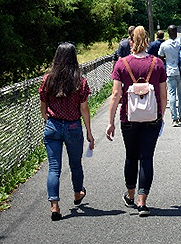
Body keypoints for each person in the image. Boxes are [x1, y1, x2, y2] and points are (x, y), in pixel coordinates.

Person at [106, 26, 167, 217]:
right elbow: (163, 94)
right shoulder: (157, 64)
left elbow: (116, 94)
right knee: (146, 157)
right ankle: (143, 202)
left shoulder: (122, 64)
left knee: (131, 156)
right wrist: (160, 115)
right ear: (147, 42)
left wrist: (110, 122)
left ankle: (130, 195)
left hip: (128, 118)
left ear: (130, 42)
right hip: (152, 117)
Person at [38, 42, 95, 221]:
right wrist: (89, 131)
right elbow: (84, 108)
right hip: (72, 126)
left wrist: (48, 121)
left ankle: (54, 205)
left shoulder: (48, 79)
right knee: (75, 164)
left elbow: (43, 105)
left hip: (53, 125)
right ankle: (78, 193)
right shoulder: (80, 81)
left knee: (54, 167)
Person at [158, 25, 181, 127]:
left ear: (167, 33)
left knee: (172, 95)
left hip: (170, 72)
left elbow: (160, 56)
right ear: (176, 32)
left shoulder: (164, 44)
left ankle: (174, 118)